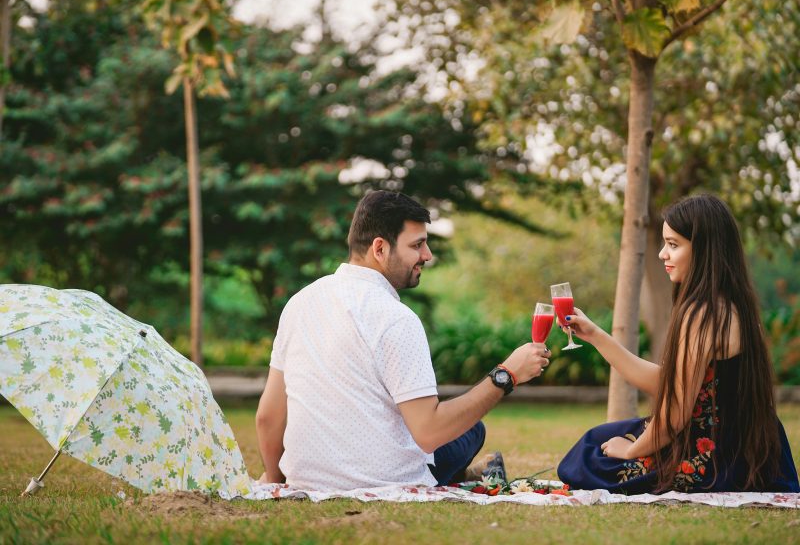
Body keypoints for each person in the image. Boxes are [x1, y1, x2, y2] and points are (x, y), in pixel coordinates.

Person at [255, 190, 551, 491]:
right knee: (472, 431)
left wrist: (279, 484)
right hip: (388, 481)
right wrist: (506, 375)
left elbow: (267, 417)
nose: (428, 255)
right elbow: (429, 432)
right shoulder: (396, 318)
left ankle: (470, 473)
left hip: (308, 479)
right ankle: (466, 473)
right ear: (380, 249)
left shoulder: (299, 303)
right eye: (417, 245)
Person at [557, 194, 799, 494]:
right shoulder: (732, 304)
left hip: (715, 458)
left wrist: (633, 450)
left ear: (704, 249)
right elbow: (669, 383)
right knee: (598, 439)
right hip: (750, 449)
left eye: (673, 244)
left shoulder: (702, 313)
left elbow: (674, 414)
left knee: (586, 459)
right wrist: (595, 335)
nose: (662, 254)